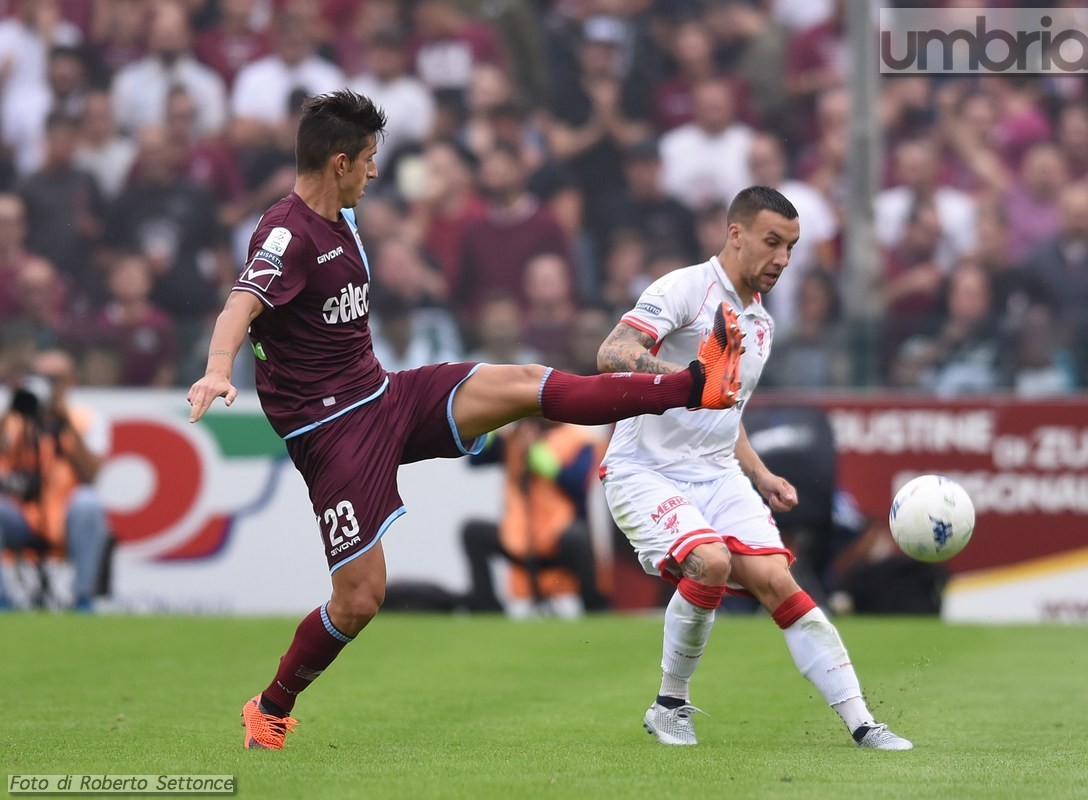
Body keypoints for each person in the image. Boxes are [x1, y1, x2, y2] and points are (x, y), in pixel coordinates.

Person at [185, 90, 745, 750]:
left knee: (524, 383)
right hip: (331, 432)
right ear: (339, 162)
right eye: (368, 160)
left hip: (384, 395)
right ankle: (270, 706)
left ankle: (693, 384)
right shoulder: (286, 231)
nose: (374, 171)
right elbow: (240, 303)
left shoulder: (339, 216)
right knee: (360, 601)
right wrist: (218, 368)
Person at [596, 185, 911, 750]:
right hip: (645, 470)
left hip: (718, 473)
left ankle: (864, 723)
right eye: (772, 242)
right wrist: (688, 378)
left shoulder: (760, 324)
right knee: (710, 562)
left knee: (779, 583)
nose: (783, 260)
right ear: (734, 233)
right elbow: (613, 353)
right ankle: (669, 705)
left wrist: (761, 474)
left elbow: (726, 410)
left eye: (790, 247)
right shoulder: (684, 288)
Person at [460, 418, 607, 615]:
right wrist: (491, 427)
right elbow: (474, 460)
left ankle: (595, 609)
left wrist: (547, 463)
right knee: (473, 531)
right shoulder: (513, 438)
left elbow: (580, 484)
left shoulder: (578, 439)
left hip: (558, 537)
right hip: (518, 537)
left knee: (578, 537)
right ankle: (487, 609)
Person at [0, 349, 109, 611]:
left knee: (89, 503)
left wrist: (65, 424)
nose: (47, 384)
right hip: (21, 515)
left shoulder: (85, 418)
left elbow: (93, 475)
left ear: (71, 381)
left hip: (65, 515)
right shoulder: (13, 420)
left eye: (55, 378)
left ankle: (83, 598)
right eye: (40, 377)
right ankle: (2, 600)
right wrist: (12, 408)